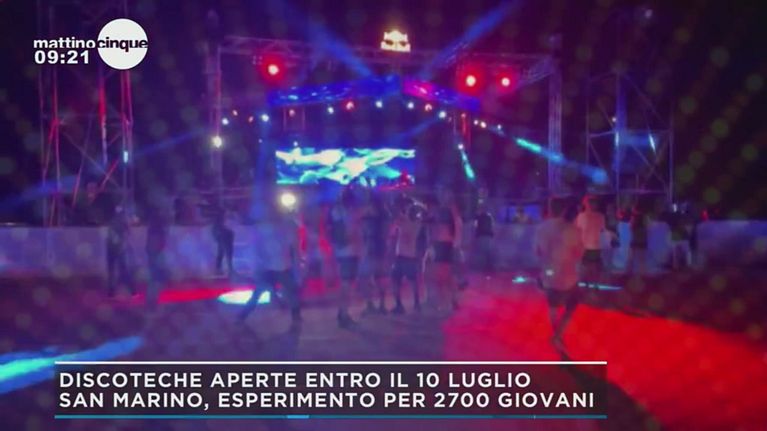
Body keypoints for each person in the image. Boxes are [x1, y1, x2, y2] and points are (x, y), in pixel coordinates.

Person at [238, 198, 302, 328]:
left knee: (265, 292)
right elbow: (293, 246)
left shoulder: (282, 226)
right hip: (275, 266)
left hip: (277, 265)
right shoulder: (276, 226)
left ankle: (243, 315)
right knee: (268, 292)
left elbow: (293, 245)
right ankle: (243, 315)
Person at [534, 199, 584, 350]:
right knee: (572, 304)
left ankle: (556, 334)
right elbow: (579, 254)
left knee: (553, 306)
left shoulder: (542, 228)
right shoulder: (573, 229)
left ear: (550, 209)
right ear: (563, 210)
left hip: (548, 274)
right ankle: (558, 335)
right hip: (567, 275)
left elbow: (537, 252)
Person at [329, 188, 365, 328]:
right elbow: (353, 233)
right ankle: (344, 315)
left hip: (343, 252)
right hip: (349, 253)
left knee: (346, 285)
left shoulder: (337, 211)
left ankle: (342, 313)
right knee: (347, 286)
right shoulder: (349, 213)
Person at [427, 187, 462, 310]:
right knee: (441, 275)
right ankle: (445, 301)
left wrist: (455, 244)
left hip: (446, 245)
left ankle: (450, 300)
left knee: (446, 275)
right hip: (442, 245)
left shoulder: (451, 212)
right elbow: (435, 228)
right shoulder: (441, 211)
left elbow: (456, 226)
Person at [390, 203, 425, 313]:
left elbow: (395, 214)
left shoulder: (404, 221)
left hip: (402, 256)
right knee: (412, 281)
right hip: (409, 256)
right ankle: (416, 304)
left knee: (396, 281)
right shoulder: (418, 224)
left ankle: (400, 305)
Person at [360, 192, 390, 315]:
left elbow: (365, 231)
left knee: (367, 277)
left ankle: (371, 304)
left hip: (371, 247)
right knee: (380, 277)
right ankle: (381, 305)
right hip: (381, 247)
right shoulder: (385, 214)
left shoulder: (369, 215)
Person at [575, 196, 606, 286]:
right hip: (588, 247)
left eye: (595, 202)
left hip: (591, 247)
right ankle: (592, 286)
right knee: (590, 269)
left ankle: (590, 286)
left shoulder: (599, 216)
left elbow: (577, 231)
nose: (593, 204)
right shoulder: (582, 216)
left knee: (590, 268)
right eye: (592, 202)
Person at [106, 206, 135, 298]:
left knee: (116, 270)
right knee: (122, 270)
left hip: (114, 249)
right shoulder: (120, 222)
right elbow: (125, 236)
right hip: (117, 250)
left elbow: (125, 236)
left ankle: (113, 291)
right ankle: (130, 290)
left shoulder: (115, 222)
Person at [145, 205, 170, 309]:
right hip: (156, 253)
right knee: (156, 278)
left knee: (155, 278)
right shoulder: (158, 229)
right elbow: (159, 242)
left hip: (154, 253)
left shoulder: (153, 228)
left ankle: (152, 300)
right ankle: (153, 301)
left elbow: (150, 243)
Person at [211, 204, 235, 277]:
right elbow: (217, 231)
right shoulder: (219, 220)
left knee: (221, 253)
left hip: (224, 236)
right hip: (223, 237)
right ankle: (229, 269)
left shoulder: (221, 220)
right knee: (226, 253)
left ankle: (219, 269)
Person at [669, 204, 693, 270]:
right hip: (676, 237)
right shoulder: (674, 217)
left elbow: (688, 233)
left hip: (682, 238)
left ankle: (687, 264)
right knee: (675, 248)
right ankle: (676, 265)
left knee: (686, 248)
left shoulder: (685, 218)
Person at [627, 205, 650, 274]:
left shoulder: (642, 218)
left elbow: (647, 229)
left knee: (637, 260)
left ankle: (635, 273)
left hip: (639, 242)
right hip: (637, 241)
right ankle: (635, 273)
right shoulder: (635, 218)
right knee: (636, 260)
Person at [474, 204, 496, 276]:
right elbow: (492, 227)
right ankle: (489, 267)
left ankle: (483, 267)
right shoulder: (489, 217)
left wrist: (476, 235)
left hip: (481, 236)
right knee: (488, 252)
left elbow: (476, 227)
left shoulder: (479, 217)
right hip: (488, 236)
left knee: (482, 252)